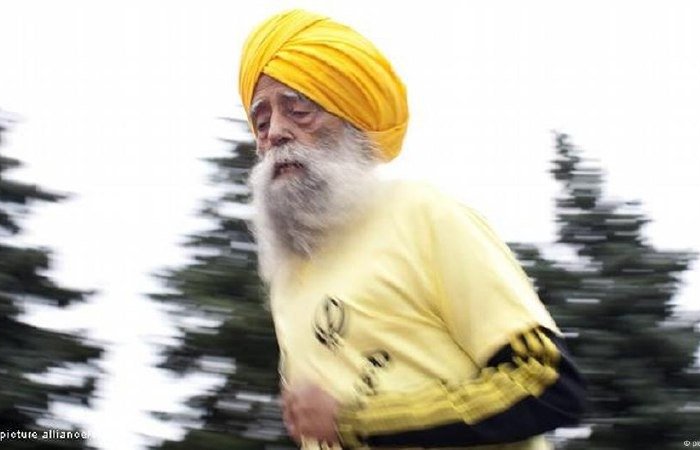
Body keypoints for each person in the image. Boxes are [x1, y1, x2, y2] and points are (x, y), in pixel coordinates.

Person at [238, 9, 586, 450]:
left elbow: (548, 383)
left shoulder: (422, 214)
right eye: (262, 122)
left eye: (299, 110)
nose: (276, 133)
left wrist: (360, 421)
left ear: (351, 123)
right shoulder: (286, 282)